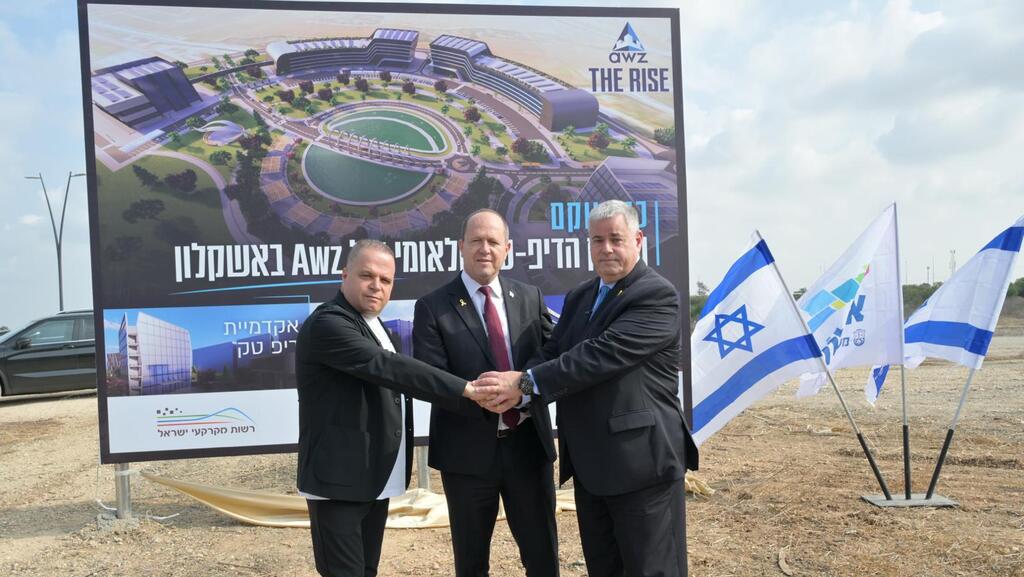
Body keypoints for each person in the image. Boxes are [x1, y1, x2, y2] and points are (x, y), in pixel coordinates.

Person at [478, 200, 699, 577]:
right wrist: (517, 385)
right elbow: (554, 349)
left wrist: (525, 383)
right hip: (591, 467)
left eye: (616, 239)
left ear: (638, 240)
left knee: (651, 570)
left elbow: (599, 356)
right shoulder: (581, 295)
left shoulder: (656, 295)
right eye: (597, 240)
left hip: (642, 467)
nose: (606, 248)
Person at [295, 239, 488, 577]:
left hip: (371, 478)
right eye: (366, 276)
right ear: (345, 275)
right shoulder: (329, 324)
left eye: (385, 280)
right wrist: (467, 389)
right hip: (337, 481)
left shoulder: (371, 323)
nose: (376, 286)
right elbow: (390, 368)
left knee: (367, 570)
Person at [413, 209, 559, 577]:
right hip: (466, 455)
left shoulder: (529, 296)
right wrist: (486, 396)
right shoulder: (432, 306)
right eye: (476, 240)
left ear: (507, 248)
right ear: (461, 246)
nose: (485, 249)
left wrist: (521, 389)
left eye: (493, 241)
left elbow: (550, 354)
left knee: (543, 558)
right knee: (471, 563)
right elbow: (431, 376)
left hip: (528, 448)